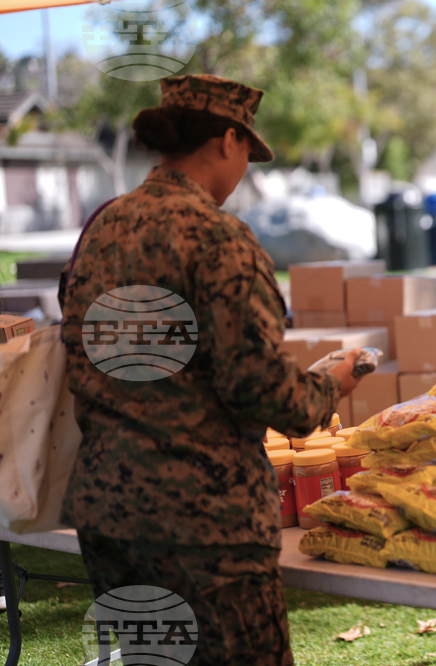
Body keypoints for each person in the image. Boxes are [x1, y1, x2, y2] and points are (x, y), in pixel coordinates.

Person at [58, 74, 363, 665]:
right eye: (248, 150)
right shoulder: (217, 237)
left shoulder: (103, 229)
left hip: (109, 512)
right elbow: (258, 388)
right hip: (202, 522)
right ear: (228, 140)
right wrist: (332, 385)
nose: (245, 165)